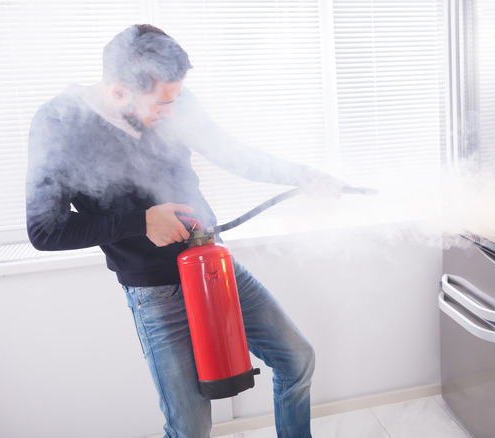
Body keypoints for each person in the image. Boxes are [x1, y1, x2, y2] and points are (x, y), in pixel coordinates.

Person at [26, 24, 345, 438]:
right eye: (161, 103)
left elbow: (233, 153)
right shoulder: (59, 122)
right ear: (121, 91)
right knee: (190, 426)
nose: (172, 113)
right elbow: (44, 230)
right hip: (155, 290)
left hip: (212, 264)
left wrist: (302, 176)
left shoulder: (173, 100)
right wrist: (141, 222)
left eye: (176, 99)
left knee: (297, 358)